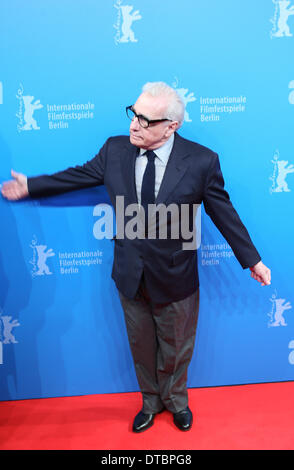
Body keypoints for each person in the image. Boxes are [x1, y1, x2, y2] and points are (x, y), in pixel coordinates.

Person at [1, 81, 271, 433]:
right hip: (130, 273)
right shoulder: (115, 150)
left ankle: (176, 401)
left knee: (176, 347)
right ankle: (149, 402)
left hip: (176, 276)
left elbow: (224, 213)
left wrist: (252, 260)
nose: (134, 125)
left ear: (171, 126)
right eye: (134, 114)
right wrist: (31, 185)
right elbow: (78, 176)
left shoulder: (201, 161)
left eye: (146, 120)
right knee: (141, 345)